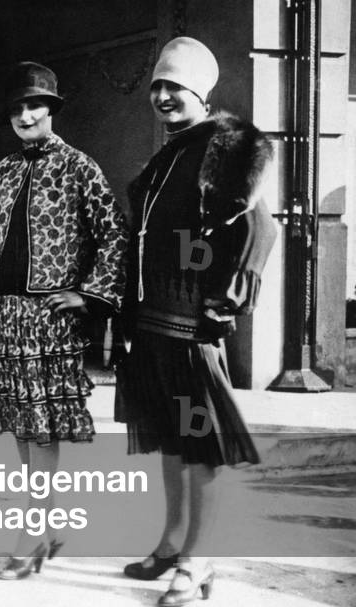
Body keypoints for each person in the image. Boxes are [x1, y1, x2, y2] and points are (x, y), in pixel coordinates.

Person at [115, 37, 276, 606]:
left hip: (189, 331)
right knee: (172, 439)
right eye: (157, 85)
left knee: (201, 444)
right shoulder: (170, 153)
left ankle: (197, 561)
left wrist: (226, 297)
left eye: (175, 87)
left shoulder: (222, 148)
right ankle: (171, 543)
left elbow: (262, 227)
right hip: (152, 326)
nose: (163, 96)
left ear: (201, 93)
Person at [0, 62, 128, 579]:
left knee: (41, 426)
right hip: (4, 314)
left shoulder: (79, 167)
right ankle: (44, 520)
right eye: (17, 108)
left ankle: (35, 529)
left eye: (34, 105)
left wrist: (88, 294)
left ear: (51, 110)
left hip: (48, 317)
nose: (25, 116)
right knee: (22, 424)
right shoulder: (4, 170)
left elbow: (114, 234)